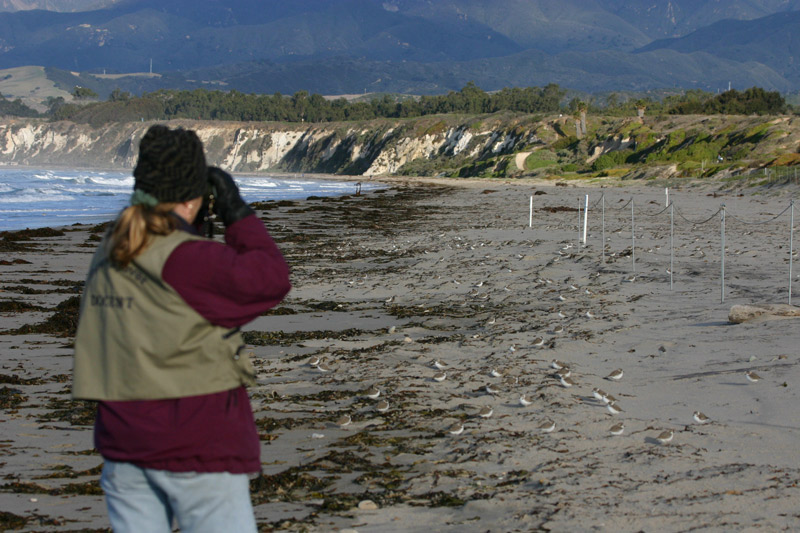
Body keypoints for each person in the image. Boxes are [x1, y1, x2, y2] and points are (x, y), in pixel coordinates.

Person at [72, 125, 291, 532]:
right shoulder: (186, 259)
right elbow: (271, 279)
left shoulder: (110, 249)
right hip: (196, 444)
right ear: (194, 197)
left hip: (123, 443)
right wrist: (237, 213)